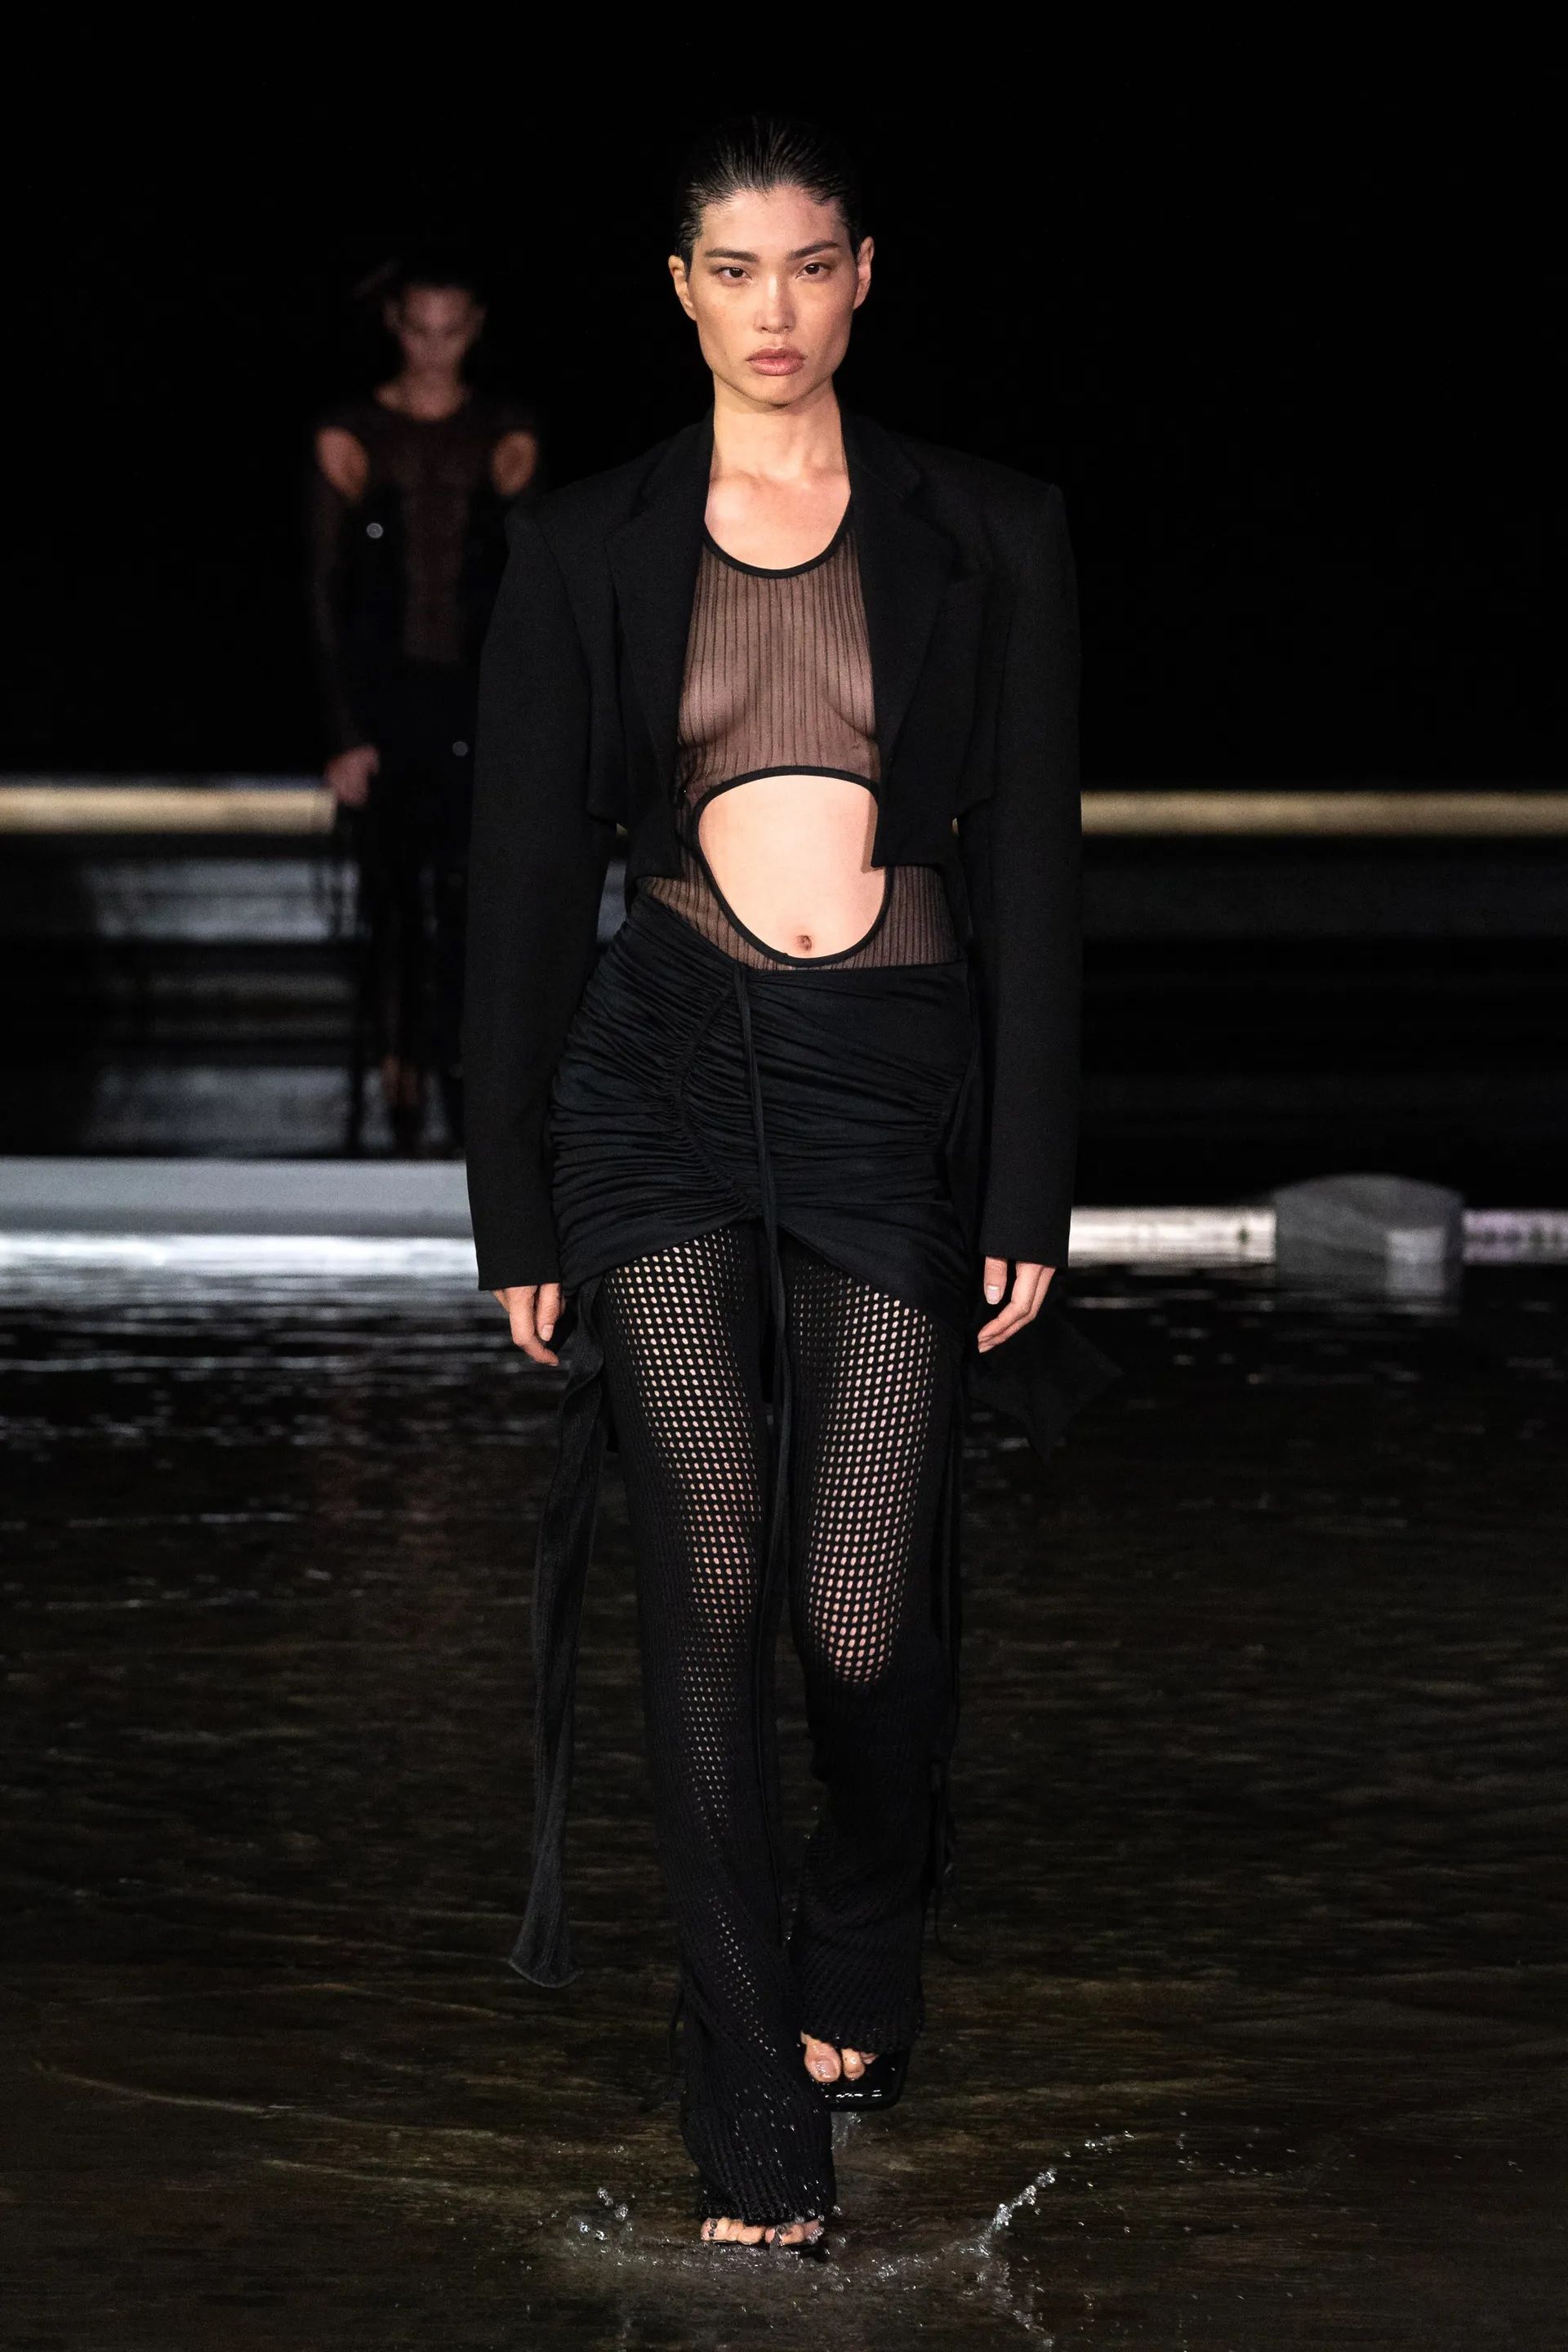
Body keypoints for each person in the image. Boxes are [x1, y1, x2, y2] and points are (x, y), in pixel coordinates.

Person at [465, 118, 1108, 2247]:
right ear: (680, 288)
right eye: (732, 270)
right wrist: (512, 1205)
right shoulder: (590, 540)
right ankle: (752, 2112)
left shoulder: (987, 528)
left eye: (808, 266)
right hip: (656, 1081)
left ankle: (865, 1923)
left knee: (858, 1609)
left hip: (889, 1082)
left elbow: (1032, 871)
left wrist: (1027, 1184)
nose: (772, 309)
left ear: (862, 277)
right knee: (711, 1582)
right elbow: (524, 882)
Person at [309, 252, 538, 1150]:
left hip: (476, 704)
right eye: (420, 329)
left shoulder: (505, 431)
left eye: (452, 330)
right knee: (391, 902)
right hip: (387, 700)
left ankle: (467, 1094)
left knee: (471, 901)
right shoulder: (354, 431)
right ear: (395, 326)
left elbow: (529, 593)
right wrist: (343, 730)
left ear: (474, 328)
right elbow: (324, 588)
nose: (435, 348)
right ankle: (398, 1094)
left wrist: (528, 726)